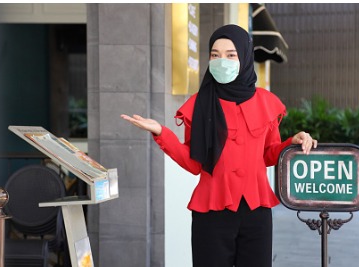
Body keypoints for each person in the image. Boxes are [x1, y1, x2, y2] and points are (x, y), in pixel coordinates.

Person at [121, 24, 317, 267]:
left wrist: (292, 143)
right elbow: (194, 164)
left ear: (244, 58)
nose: (221, 61)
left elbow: (268, 155)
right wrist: (162, 133)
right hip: (212, 212)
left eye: (230, 55)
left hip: (256, 212)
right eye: (215, 55)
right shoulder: (200, 104)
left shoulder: (266, 102)